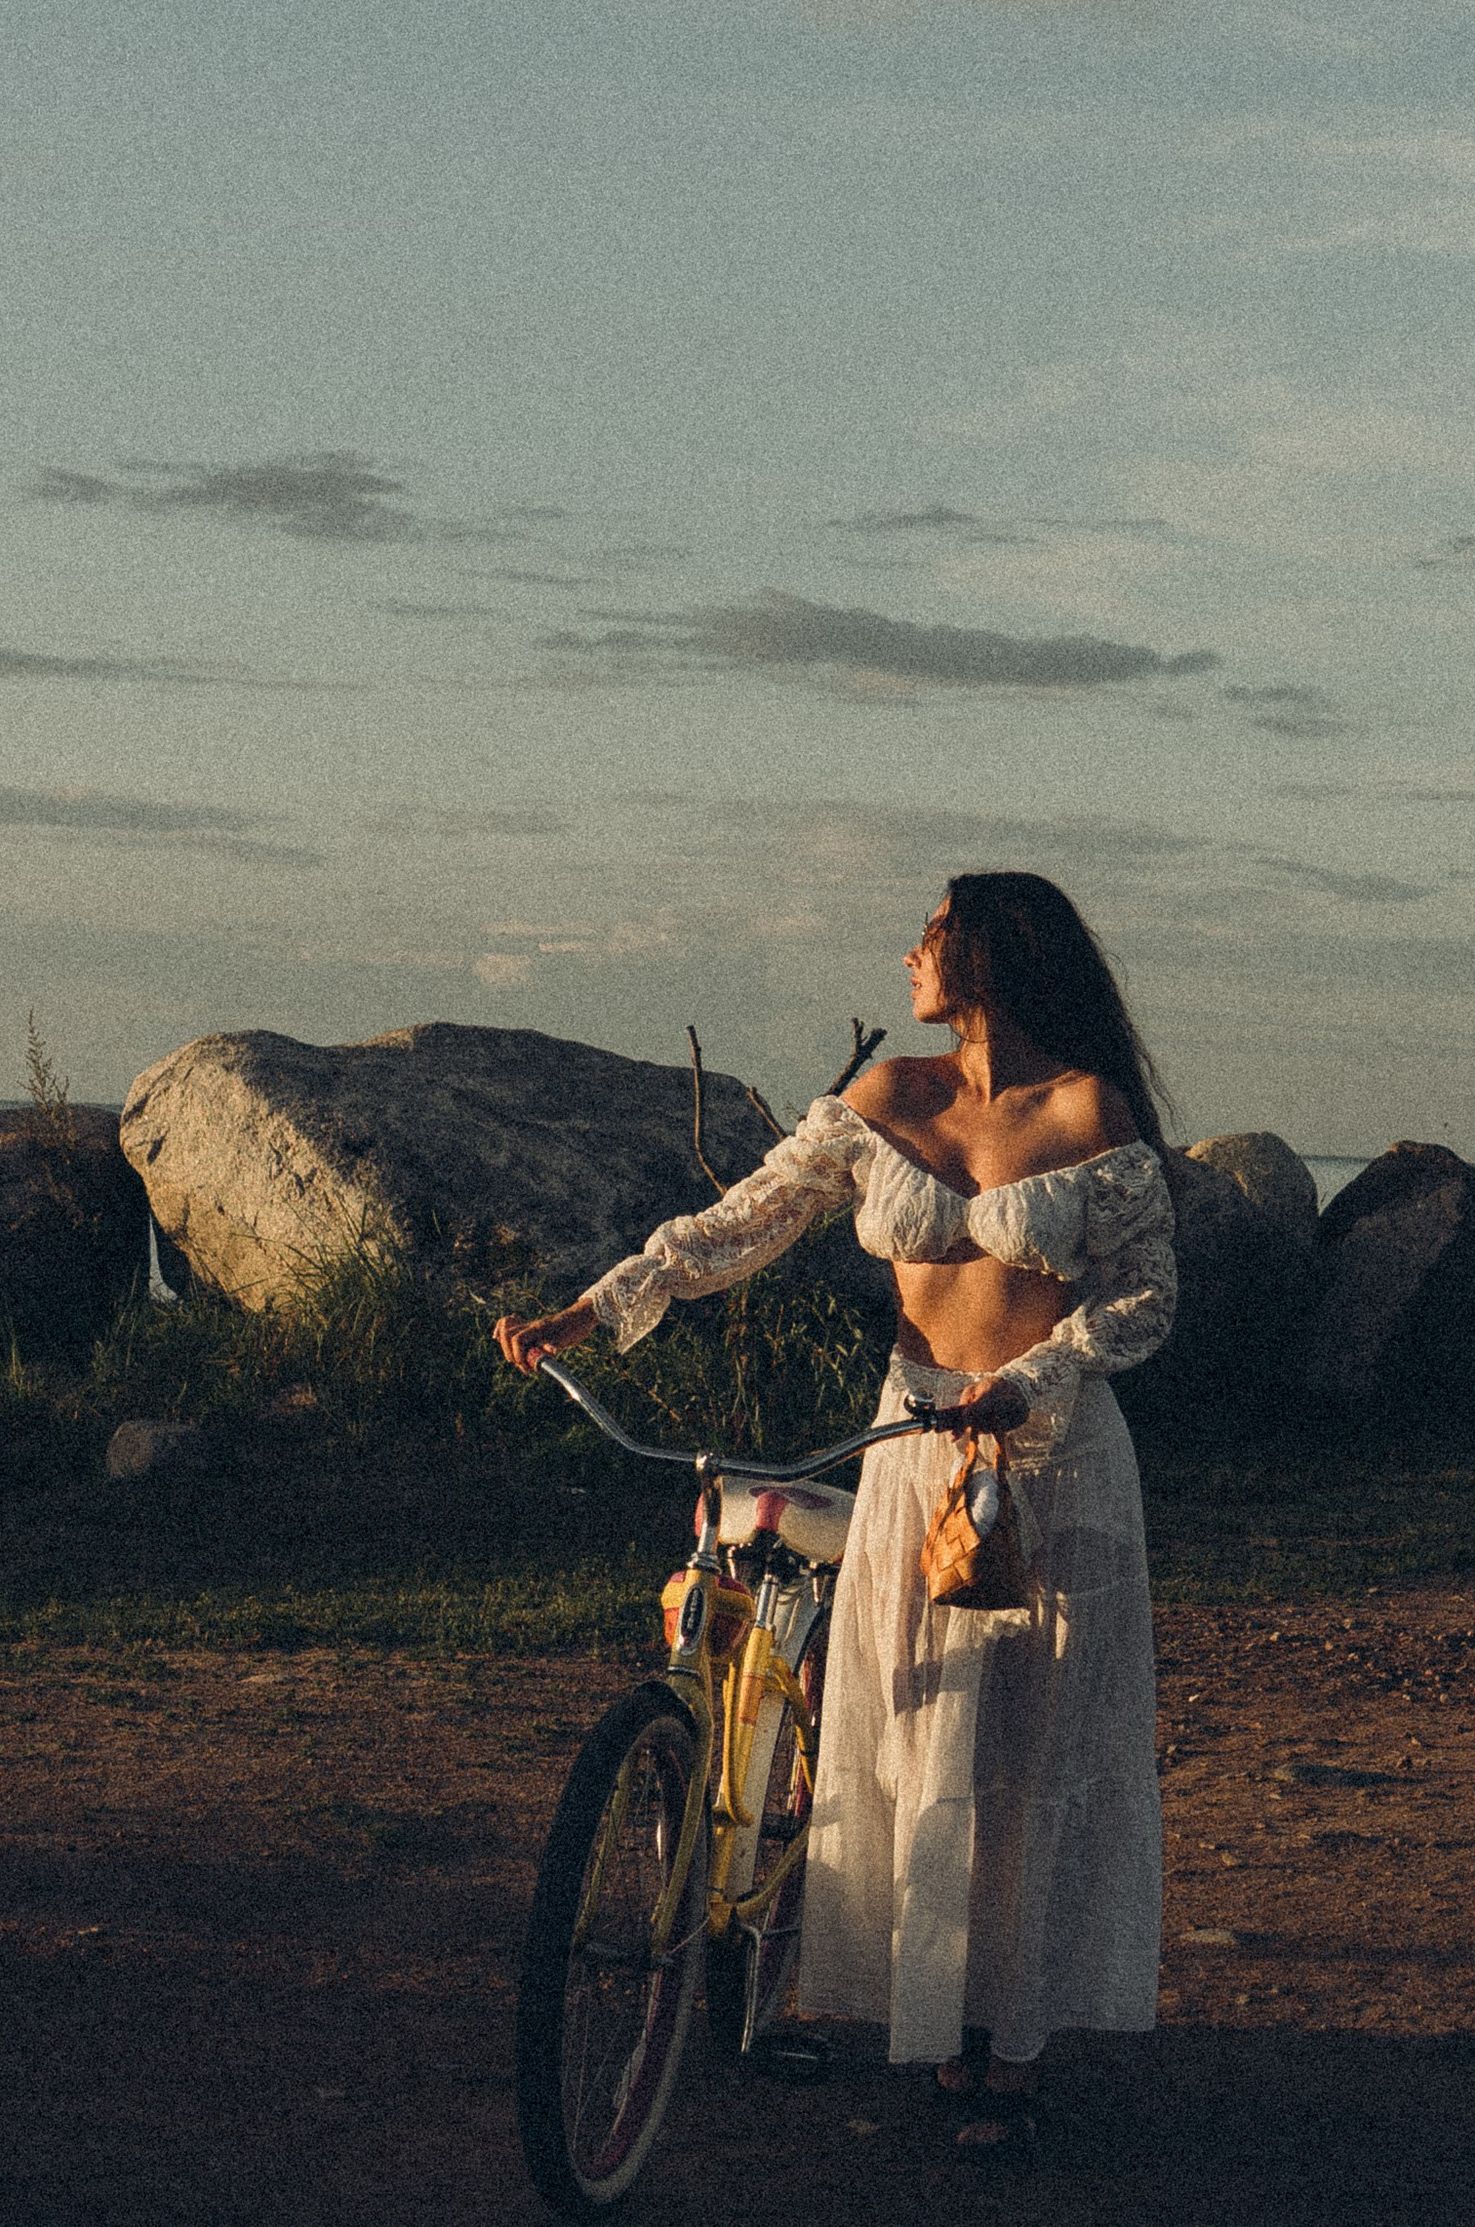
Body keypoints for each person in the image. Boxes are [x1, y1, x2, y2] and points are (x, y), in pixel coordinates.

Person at [493, 869, 1177, 2158]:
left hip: (1054, 1456)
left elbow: (1145, 1297)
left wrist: (1034, 1379)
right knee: (916, 1733)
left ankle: (1012, 2041)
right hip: (912, 1445)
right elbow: (736, 1225)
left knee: (1030, 1753)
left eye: (932, 931)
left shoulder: (1088, 1109)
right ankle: (939, 2011)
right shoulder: (888, 1097)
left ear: (990, 953)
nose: (911, 953)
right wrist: (595, 1309)